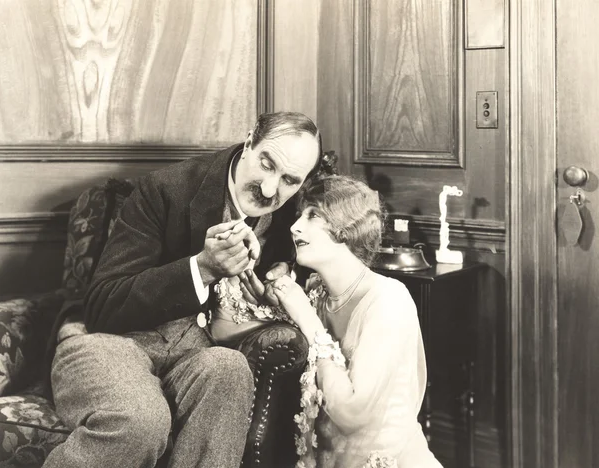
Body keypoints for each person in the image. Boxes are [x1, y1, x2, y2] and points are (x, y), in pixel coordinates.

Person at [43, 112, 322, 468]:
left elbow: (298, 259)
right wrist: (203, 267)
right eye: (267, 164)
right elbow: (103, 306)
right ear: (250, 140)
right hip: (110, 341)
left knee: (230, 368)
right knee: (142, 420)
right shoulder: (164, 189)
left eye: (289, 180)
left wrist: (282, 274)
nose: (270, 189)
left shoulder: (289, 215)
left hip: (195, 355)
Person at [269, 175, 443, 468]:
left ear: (346, 229)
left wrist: (306, 318)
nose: (294, 226)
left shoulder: (388, 300)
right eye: (300, 214)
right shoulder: (316, 293)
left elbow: (352, 412)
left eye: (312, 216)